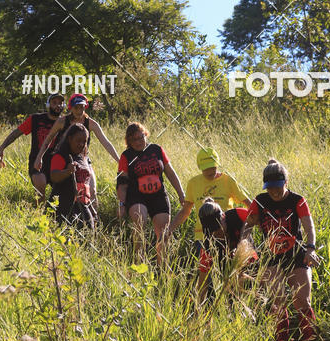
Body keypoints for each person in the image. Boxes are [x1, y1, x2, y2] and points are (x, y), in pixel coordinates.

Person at [241, 159, 320, 341]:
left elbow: (309, 227)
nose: (275, 192)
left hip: (296, 254)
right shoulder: (260, 201)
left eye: (278, 187)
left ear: (286, 183)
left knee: (302, 300)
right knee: (278, 299)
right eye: (270, 188)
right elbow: (247, 228)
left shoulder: (297, 200)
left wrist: (311, 248)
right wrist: (246, 247)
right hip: (272, 257)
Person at [34, 93, 119, 217]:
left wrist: (119, 160)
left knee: (92, 190)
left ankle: (92, 220)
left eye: (82, 107)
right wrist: (39, 157)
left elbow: (106, 142)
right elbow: (48, 139)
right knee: (62, 189)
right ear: (70, 108)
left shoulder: (91, 123)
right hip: (64, 159)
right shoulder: (62, 121)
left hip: (83, 160)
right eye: (76, 107)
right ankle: (56, 216)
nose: (79, 110)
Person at [116, 122, 185, 265]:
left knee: (163, 233)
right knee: (140, 220)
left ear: (145, 134)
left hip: (158, 195)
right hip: (136, 196)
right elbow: (122, 184)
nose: (138, 142)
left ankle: (162, 269)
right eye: (134, 139)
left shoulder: (157, 150)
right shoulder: (126, 156)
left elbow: (171, 173)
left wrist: (181, 194)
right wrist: (122, 204)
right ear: (128, 141)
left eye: (140, 137)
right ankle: (138, 262)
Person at [168, 147, 250, 260]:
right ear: (200, 167)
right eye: (206, 168)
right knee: (208, 273)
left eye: (213, 167)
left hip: (225, 234)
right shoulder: (193, 183)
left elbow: (247, 203)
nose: (210, 171)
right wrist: (169, 230)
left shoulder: (228, 181)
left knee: (229, 272)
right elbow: (185, 211)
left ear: (217, 164)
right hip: (202, 236)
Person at [0, 93, 65, 204]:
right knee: (40, 184)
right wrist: (1, 148)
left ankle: (56, 216)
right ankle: (39, 215)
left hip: (56, 163)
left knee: (61, 195)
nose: (58, 106)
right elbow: (16, 133)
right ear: (48, 105)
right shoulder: (36, 119)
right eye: (54, 103)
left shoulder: (64, 122)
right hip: (37, 161)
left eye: (60, 103)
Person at [197, 197, 258, 303]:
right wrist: (199, 309)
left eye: (218, 227)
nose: (216, 232)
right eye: (212, 230)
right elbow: (203, 282)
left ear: (223, 217)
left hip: (251, 261)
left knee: (260, 287)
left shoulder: (237, 215)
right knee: (234, 298)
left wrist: (244, 238)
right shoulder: (208, 244)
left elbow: (257, 220)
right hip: (229, 274)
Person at [49, 123, 95, 228]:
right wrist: (67, 171)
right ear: (69, 139)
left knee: (88, 233)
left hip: (82, 205)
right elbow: (54, 176)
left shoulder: (84, 157)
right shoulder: (60, 156)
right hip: (63, 207)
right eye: (78, 141)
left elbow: (85, 184)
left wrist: (91, 207)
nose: (81, 144)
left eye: (84, 141)